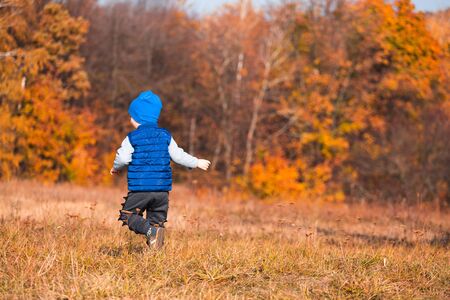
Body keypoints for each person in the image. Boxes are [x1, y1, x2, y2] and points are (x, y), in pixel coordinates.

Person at [110, 90, 210, 249]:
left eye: (131, 115)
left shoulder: (132, 137)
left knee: (127, 215)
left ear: (137, 118)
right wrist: (196, 162)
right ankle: (156, 253)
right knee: (157, 222)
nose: (130, 118)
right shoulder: (165, 136)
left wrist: (116, 168)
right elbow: (178, 155)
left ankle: (149, 230)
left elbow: (122, 158)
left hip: (141, 188)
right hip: (162, 191)